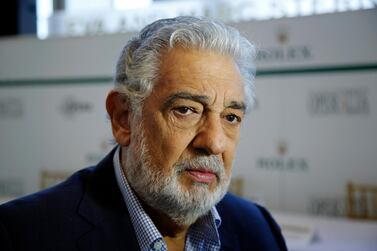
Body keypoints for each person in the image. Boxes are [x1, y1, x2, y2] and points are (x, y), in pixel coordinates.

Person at [0, 16, 287, 251]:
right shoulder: (22, 235)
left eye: (231, 117)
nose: (214, 142)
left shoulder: (259, 230)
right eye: (186, 110)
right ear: (124, 118)